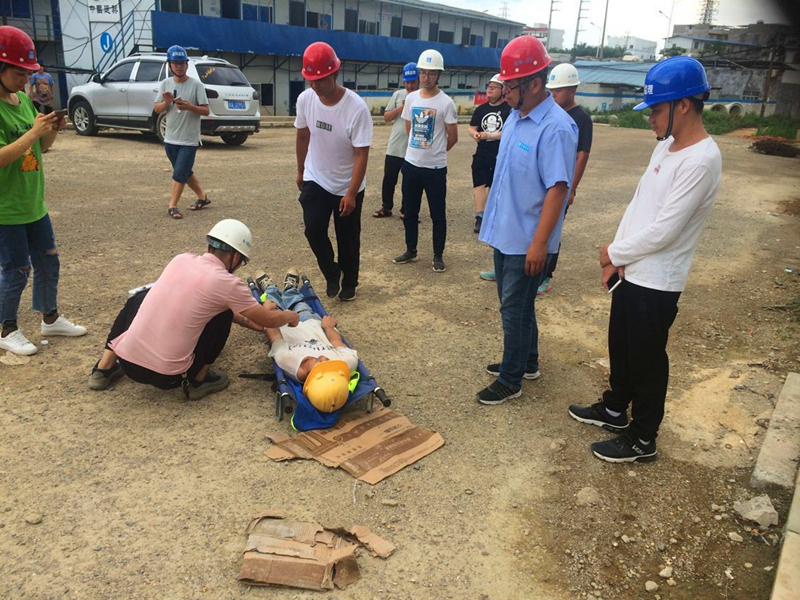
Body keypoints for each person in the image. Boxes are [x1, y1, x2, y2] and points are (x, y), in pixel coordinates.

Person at [568, 57, 722, 463]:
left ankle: (642, 438)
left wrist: (613, 252)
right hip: (633, 269)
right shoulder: (667, 146)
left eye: (655, 109)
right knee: (621, 346)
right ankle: (615, 409)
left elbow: (666, 230)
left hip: (658, 280)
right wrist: (616, 257)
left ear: (683, 105)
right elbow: (639, 206)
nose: (650, 118)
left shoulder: (701, 160)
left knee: (648, 359)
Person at [88, 220, 300, 399]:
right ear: (235, 257)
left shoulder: (181, 260)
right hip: (168, 377)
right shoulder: (227, 282)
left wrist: (250, 320)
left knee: (141, 297)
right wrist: (290, 316)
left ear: (210, 245)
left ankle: (105, 366)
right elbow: (269, 320)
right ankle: (199, 380)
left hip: (128, 364)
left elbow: (203, 304)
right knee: (223, 314)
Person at [476, 36, 577, 405]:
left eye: (510, 86)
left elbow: (558, 189)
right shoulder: (517, 117)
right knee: (519, 304)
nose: (504, 92)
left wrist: (539, 243)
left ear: (535, 84)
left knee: (514, 309)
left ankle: (511, 378)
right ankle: (527, 361)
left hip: (527, 238)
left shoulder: (555, 127)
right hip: (507, 231)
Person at [0, 26, 86, 357]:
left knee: (49, 260)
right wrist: (33, 132)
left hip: (33, 202)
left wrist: (51, 130)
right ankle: (7, 329)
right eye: (19, 73)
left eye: (28, 73)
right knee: (16, 270)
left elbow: (42, 148)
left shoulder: (22, 99)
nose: (26, 80)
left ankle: (50, 318)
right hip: (6, 209)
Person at [295, 42, 373, 302]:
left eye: (320, 79)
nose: (315, 85)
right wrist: (300, 171)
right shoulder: (306, 99)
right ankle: (332, 272)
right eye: (310, 80)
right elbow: (303, 136)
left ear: (335, 74)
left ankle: (349, 282)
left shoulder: (356, 108)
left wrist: (351, 193)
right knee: (313, 229)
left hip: (346, 183)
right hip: (316, 177)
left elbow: (361, 154)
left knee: (347, 238)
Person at [392, 49, 458, 273]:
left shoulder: (446, 103)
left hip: (435, 169)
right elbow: (409, 128)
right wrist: (418, 151)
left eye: (431, 73)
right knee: (410, 212)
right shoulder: (411, 98)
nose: (426, 77)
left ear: (438, 75)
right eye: (423, 72)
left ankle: (438, 255)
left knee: (437, 214)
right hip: (411, 165)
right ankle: (410, 249)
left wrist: (437, 151)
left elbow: (453, 136)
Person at [262, 268, 358, 413]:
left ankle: (270, 289)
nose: (324, 357)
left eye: (319, 363)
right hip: (311, 322)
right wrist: (329, 328)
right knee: (299, 304)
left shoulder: (288, 362)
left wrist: (266, 312)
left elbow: (274, 335)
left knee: (273, 304)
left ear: (307, 375)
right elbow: (337, 343)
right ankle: (290, 289)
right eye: (329, 363)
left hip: (284, 325)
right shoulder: (347, 364)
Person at [539, 62, 594, 295]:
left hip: (562, 184)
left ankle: (545, 275)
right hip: (544, 182)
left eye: (559, 90)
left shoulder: (581, 118)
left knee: (552, 229)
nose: (554, 95)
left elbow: (582, 154)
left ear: (573, 89)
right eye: (552, 90)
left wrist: (572, 188)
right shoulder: (551, 113)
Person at [154, 45, 211, 220]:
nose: (179, 67)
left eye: (182, 63)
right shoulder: (165, 84)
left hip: (189, 140)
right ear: (170, 65)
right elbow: (157, 109)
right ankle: (202, 197)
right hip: (170, 139)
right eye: (175, 63)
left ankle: (172, 206)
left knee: (179, 173)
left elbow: (206, 110)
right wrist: (167, 102)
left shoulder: (196, 85)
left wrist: (189, 107)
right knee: (185, 171)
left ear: (187, 64)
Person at [372, 62, 419, 219]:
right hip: (395, 146)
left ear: (419, 81)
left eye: (413, 82)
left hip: (412, 147)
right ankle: (386, 207)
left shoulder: (423, 97)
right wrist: (400, 108)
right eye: (407, 82)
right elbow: (386, 117)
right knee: (389, 179)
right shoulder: (398, 95)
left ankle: (406, 210)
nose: (410, 86)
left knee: (409, 181)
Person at [468, 74, 510, 234]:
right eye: (489, 86)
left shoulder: (509, 110)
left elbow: (509, 132)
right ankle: (480, 216)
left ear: (503, 90)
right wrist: (475, 134)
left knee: (495, 186)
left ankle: (493, 216)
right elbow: (472, 127)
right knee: (479, 184)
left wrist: (489, 135)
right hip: (481, 153)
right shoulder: (481, 109)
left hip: (500, 154)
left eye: (494, 87)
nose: (490, 89)